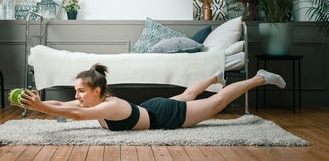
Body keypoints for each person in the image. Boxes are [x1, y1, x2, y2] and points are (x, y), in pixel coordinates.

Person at [16, 64, 286, 131]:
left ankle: (260, 77)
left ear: (97, 90)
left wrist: (39, 106)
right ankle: (216, 77)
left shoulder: (109, 106)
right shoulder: (94, 100)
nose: (77, 96)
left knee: (217, 102)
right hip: (151, 108)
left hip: (164, 116)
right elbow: (62, 105)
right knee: (189, 94)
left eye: (81, 91)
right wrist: (35, 102)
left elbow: (74, 114)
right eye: (77, 91)